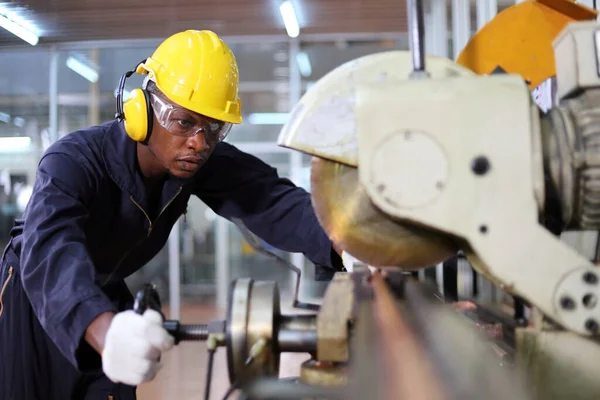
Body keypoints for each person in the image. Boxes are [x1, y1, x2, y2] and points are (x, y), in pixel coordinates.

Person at [0, 29, 344, 400]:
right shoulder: (72, 162)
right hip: (36, 296)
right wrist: (103, 330)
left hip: (104, 289)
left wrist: (347, 241)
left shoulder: (195, 160)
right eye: (183, 122)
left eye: (214, 128)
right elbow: (51, 249)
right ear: (141, 110)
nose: (200, 142)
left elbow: (272, 201)